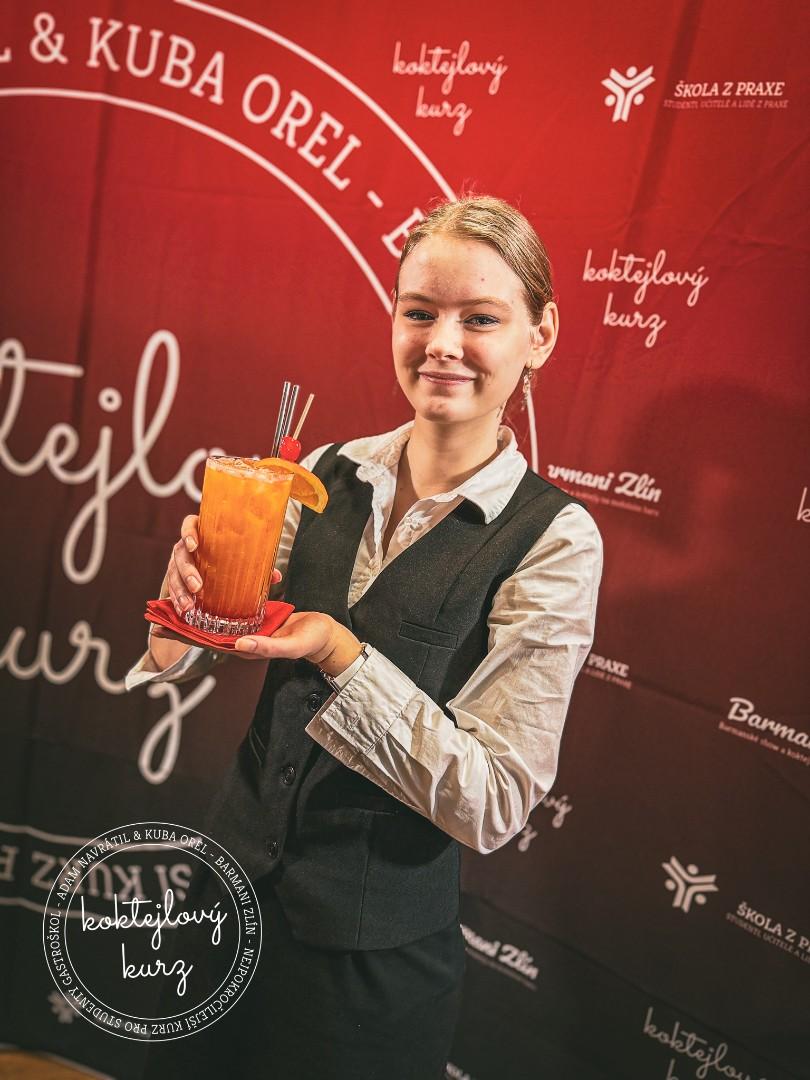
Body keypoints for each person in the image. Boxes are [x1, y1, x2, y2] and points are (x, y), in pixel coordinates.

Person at [127, 195, 603, 1079]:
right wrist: (184, 604)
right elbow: (183, 652)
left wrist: (337, 654)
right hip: (219, 904)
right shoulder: (322, 472)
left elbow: (494, 801)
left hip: (368, 975)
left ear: (540, 335)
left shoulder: (554, 538)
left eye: (480, 318)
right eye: (419, 312)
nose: (441, 343)